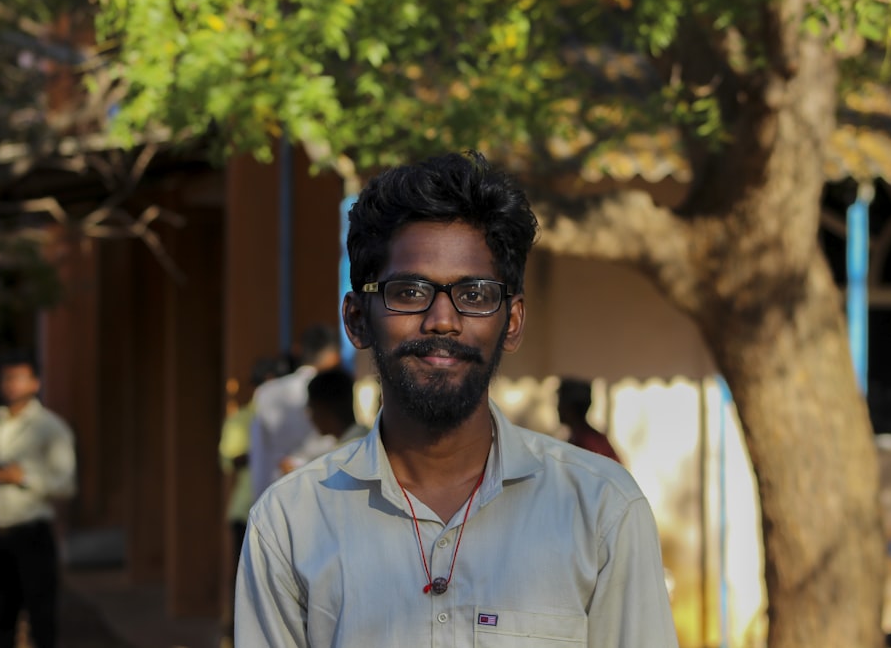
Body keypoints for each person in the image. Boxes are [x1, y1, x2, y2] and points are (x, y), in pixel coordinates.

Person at [236, 151, 679, 647]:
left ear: (510, 322)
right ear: (358, 319)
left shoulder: (601, 510)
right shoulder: (290, 523)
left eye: (474, 294)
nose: (442, 320)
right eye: (408, 291)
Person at [0, 352, 76, 648]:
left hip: (32, 532)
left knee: (41, 619)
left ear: (35, 382)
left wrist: (22, 477)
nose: (11, 385)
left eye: (19, 378)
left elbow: (66, 485)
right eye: (7, 378)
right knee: (2, 619)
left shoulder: (51, 427)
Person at [218, 355, 282, 643]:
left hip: (284, 511)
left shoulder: (294, 413)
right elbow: (229, 460)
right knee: (243, 578)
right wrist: (263, 451)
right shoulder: (242, 419)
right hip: (246, 510)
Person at [248, 324, 341, 500]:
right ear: (334, 356)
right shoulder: (332, 393)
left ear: (299, 351)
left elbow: (259, 456)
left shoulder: (266, 392)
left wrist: (259, 504)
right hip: (324, 496)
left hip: (275, 498)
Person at [277, 368, 370, 475]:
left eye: (311, 409)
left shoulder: (351, 451)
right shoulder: (362, 441)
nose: (310, 417)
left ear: (323, 408)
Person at [557, 377, 623, 464]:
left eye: (561, 404)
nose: (558, 409)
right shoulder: (579, 438)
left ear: (572, 408)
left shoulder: (588, 442)